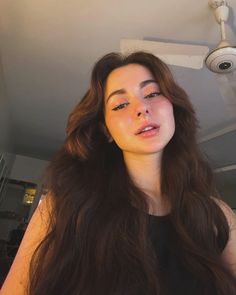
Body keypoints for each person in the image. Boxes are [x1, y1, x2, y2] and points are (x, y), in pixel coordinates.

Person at [1, 51, 236, 295]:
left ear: (174, 109)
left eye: (153, 93)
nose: (142, 108)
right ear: (107, 131)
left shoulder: (219, 217)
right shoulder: (63, 207)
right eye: (121, 104)